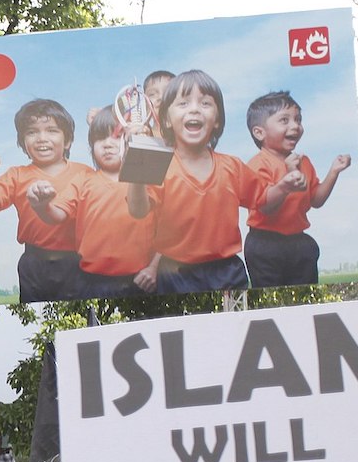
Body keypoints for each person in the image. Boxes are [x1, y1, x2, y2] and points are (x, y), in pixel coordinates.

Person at [126, 69, 301, 294]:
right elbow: (138, 210)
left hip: (227, 272)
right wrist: (137, 163)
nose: (194, 109)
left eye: (205, 103)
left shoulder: (232, 166)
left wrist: (284, 186)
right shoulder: (157, 163)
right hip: (174, 274)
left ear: (217, 120)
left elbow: (264, 202)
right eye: (183, 103)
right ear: (167, 120)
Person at [0, 98, 92, 302]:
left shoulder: (85, 173)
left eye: (52, 130)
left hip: (79, 261)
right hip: (34, 263)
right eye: (32, 132)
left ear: (68, 141)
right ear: (22, 143)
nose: (41, 138)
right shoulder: (16, 175)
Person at [242, 91, 352, 288]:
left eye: (298, 119)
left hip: (298, 241)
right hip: (265, 243)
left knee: (305, 289)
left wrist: (334, 171)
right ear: (259, 132)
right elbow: (265, 207)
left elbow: (316, 200)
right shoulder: (258, 165)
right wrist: (287, 182)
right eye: (284, 120)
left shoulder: (304, 162)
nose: (295, 126)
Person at [74, 107, 159, 297]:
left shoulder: (149, 179)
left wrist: (153, 268)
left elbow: (170, 230)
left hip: (140, 280)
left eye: (117, 136)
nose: (107, 144)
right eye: (100, 138)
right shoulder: (82, 180)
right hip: (90, 281)